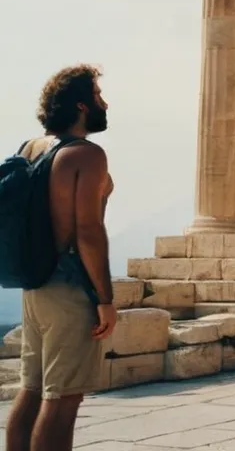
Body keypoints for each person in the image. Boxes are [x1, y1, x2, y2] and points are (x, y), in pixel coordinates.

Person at [6, 65, 116, 451]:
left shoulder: (31, 147)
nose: (105, 102)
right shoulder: (86, 155)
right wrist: (105, 300)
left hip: (34, 283)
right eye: (99, 95)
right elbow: (88, 232)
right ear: (82, 105)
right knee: (63, 401)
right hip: (70, 286)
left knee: (32, 390)